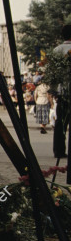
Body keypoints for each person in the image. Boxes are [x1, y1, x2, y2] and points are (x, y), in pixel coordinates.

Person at [52, 24, 71, 159]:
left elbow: (53, 74)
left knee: (61, 123)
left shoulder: (57, 50)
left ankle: (58, 150)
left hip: (62, 92)